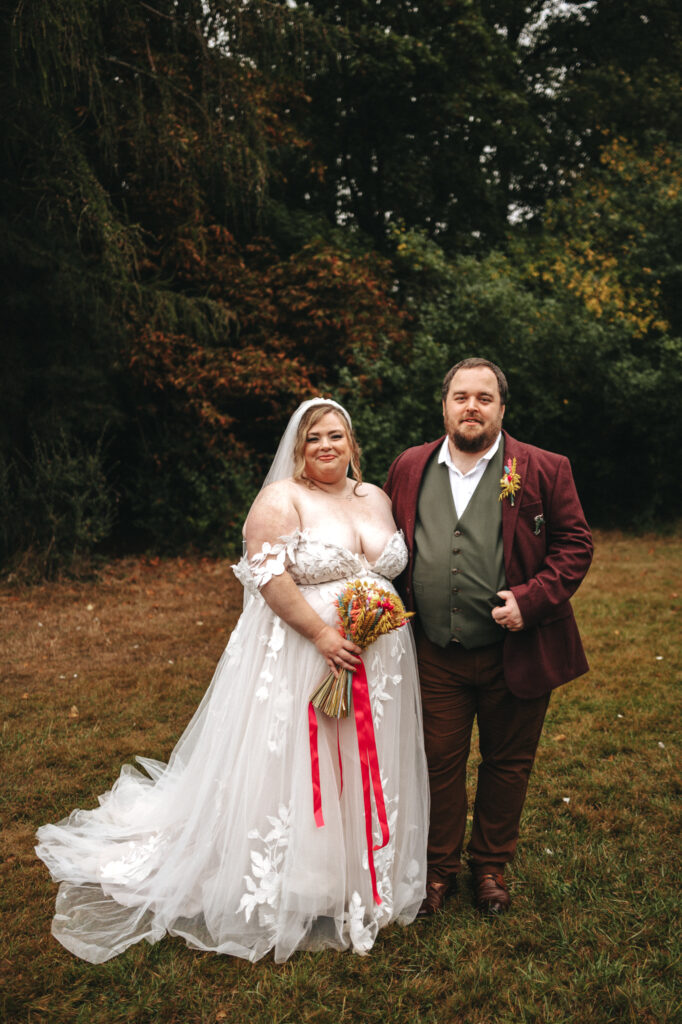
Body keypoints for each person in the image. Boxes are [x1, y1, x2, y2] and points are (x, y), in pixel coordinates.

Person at [36, 398, 429, 963]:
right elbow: (268, 576)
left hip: (379, 661)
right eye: (314, 437)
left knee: (364, 760)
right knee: (305, 758)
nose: (326, 445)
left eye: (336, 435)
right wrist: (321, 635)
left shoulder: (376, 498)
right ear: (298, 448)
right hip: (306, 651)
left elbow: (388, 566)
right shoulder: (280, 498)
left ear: (352, 444)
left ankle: (360, 874)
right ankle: (306, 882)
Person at [385, 358, 593, 917]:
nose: (471, 406)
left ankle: (491, 868)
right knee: (436, 761)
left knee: (508, 762)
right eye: (460, 396)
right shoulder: (409, 466)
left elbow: (575, 546)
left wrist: (531, 600)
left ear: (502, 407)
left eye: (483, 397)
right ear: (444, 404)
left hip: (517, 651)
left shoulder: (544, 468)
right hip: (433, 651)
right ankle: (436, 870)